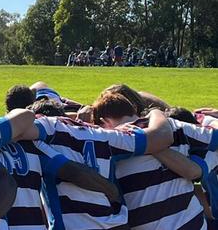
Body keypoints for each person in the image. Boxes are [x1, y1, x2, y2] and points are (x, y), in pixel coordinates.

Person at [33, 99, 173, 230]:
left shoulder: (41, 140)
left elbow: (74, 173)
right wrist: (156, 111)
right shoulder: (103, 134)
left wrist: (110, 190)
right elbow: (162, 135)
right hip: (116, 222)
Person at [92, 93, 214, 229]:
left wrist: (147, 143)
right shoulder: (173, 126)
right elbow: (211, 141)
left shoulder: (112, 142)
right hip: (194, 224)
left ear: (104, 122)